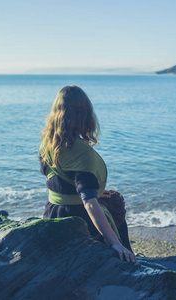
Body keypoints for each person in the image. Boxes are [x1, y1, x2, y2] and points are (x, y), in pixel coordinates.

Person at [39, 85, 136, 263]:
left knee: (109, 197)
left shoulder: (47, 143)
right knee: (115, 203)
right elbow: (89, 204)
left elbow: (55, 179)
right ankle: (127, 255)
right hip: (76, 219)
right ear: (85, 116)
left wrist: (95, 192)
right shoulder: (81, 152)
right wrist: (114, 242)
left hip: (52, 212)